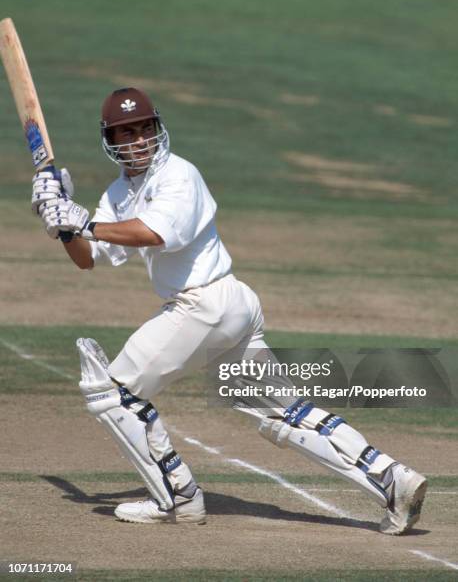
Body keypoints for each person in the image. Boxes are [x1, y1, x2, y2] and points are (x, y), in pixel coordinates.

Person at [32, 87, 427, 533]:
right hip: (227, 309)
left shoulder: (179, 175)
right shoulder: (120, 193)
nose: (139, 140)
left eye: (145, 129)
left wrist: (82, 220)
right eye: (127, 132)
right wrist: (60, 222)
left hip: (206, 304)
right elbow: (90, 257)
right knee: (284, 411)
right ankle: (393, 479)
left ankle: (178, 498)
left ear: (158, 129)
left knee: (112, 391)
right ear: (111, 140)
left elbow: (157, 234)